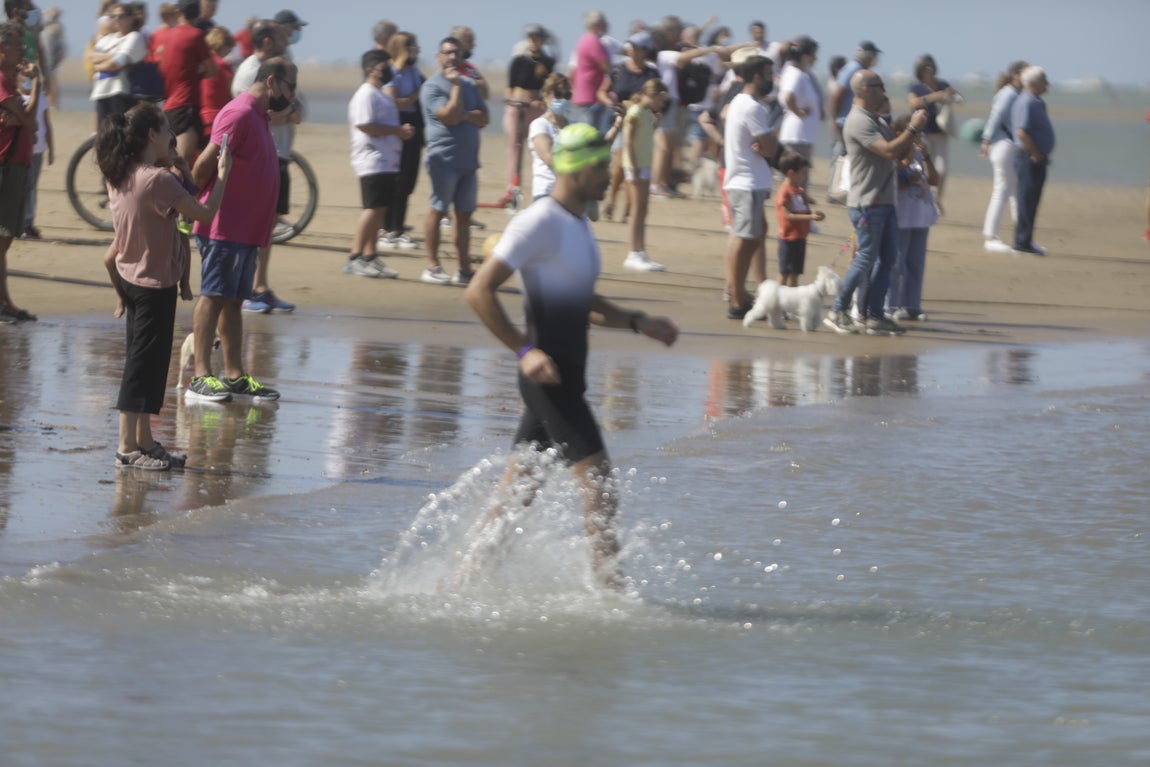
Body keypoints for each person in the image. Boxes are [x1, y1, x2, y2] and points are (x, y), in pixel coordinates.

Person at [463, 122, 679, 587]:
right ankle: (610, 591)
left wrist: (638, 322)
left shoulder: (578, 224)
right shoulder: (538, 221)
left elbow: (584, 304)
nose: (607, 175)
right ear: (574, 169)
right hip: (549, 379)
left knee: (518, 491)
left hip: (564, 376)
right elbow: (478, 290)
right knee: (600, 486)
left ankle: (466, 580)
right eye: (600, 167)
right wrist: (524, 351)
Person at [97, 102, 231, 470]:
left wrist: (181, 168)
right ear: (151, 135)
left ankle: (144, 441)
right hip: (153, 283)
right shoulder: (156, 180)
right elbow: (204, 214)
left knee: (151, 365)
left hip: (131, 279)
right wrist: (222, 175)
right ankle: (127, 448)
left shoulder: (121, 172)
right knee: (142, 367)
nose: (172, 136)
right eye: (167, 129)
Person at [186, 56, 291, 402]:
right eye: (290, 87)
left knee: (232, 301)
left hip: (245, 231)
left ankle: (234, 375)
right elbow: (205, 165)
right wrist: (194, 206)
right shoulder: (240, 112)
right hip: (224, 227)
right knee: (213, 296)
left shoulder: (259, 116)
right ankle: (200, 376)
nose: (293, 95)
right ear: (272, 81)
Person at [823, 70, 927, 336]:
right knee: (865, 258)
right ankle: (837, 310)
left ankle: (875, 315)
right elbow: (888, 150)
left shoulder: (875, 119)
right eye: (880, 86)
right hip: (868, 202)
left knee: (888, 258)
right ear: (866, 89)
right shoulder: (858, 121)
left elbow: (896, 154)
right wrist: (913, 128)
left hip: (885, 201)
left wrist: (913, 135)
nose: (884, 91)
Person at [231, 17, 297, 313]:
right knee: (250, 225)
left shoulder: (279, 69)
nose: (288, 40)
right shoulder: (249, 72)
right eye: (283, 36)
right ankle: (245, 289)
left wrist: (287, 111)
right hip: (256, 157)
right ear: (268, 41)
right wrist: (286, 112)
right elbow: (260, 115)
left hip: (278, 153)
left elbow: (294, 111)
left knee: (267, 225)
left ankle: (260, 286)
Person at [419, 35, 488, 286]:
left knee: (464, 216)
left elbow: (484, 118)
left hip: (468, 161)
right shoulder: (432, 87)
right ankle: (432, 266)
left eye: (456, 53)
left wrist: (465, 114)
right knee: (438, 210)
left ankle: (464, 269)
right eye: (447, 53)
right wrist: (456, 87)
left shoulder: (470, 84)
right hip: (443, 160)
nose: (451, 57)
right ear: (438, 56)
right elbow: (448, 116)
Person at [343, 48, 413, 278]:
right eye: (384, 66)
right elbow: (365, 125)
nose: (388, 70)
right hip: (372, 160)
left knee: (380, 209)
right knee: (372, 209)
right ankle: (354, 257)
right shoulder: (365, 94)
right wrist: (397, 131)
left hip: (387, 160)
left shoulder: (381, 93)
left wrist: (400, 132)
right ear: (370, 69)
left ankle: (370, 256)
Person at [722, 54, 775, 320]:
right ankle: (737, 297)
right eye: (769, 74)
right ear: (757, 76)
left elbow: (764, 145)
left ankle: (738, 292)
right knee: (745, 239)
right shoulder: (752, 107)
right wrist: (766, 146)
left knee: (753, 235)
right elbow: (770, 147)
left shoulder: (739, 102)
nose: (772, 80)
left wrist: (764, 146)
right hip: (746, 182)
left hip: (747, 181)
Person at [597, 30, 658, 221]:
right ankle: (612, 200)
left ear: (645, 51)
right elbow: (602, 91)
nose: (631, 50)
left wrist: (656, 119)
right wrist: (610, 103)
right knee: (620, 165)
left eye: (636, 47)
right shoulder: (618, 70)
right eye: (631, 46)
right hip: (620, 120)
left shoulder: (651, 74)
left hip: (642, 123)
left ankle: (630, 208)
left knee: (633, 165)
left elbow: (658, 99)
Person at [0, 21, 37, 322]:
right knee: (2, 239)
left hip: (15, 165)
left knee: (6, 238)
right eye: (16, 46)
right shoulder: (1, 80)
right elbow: (30, 120)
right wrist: (37, 84)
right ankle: (5, 304)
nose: (22, 51)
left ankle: (5, 302)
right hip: (7, 167)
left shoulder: (10, 81)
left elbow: (26, 120)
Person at [888, 113, 939, 321]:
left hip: (921, 214)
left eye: (921, 133)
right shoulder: (893, 152)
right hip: (901, 215)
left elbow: (934, 180)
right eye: (916, 132)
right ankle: (892, 304)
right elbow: (896, 181)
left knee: (916, 263)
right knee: (896, 262)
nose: (920, 137)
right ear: (901, 133)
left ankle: (912, 304)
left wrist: (926, 156)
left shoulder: (920, 153)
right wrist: (909, 174)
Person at [378, 31, 423, 251]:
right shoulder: (392, 72)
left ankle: (398, 227)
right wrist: (417, 94)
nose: (415, 51)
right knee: (396, 180)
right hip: (397, 126)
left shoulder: (414, 71)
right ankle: (387, 228)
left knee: (408, 181)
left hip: (414, 126)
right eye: (410, 48)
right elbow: (394, 102)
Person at [156, 0, 215, 164]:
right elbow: (212, 70)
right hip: (187, 105)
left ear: (178, 12)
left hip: (169, 106)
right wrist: (198, 70)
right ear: (197, 14)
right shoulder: (195, 35)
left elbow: (163, 67)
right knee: (180, 163)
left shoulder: (167, 36)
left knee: (171, 160)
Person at [501, 23, 553, 205]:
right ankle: (512, 189)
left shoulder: (547, 62)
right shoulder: (518, 61)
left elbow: (549, 87)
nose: (533, 41)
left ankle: (541, 191)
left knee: (538, 147)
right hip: (517, 107)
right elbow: (509, 87)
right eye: (530, 38)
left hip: (535, 108)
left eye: (536, 38)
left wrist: (540, 102)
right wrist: (511, 101)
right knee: (514, 148)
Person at [621, 77, 668, 271]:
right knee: (636, 209)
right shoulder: (635, 112)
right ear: (652, 95)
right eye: (661, 100)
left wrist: (656, 123)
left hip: (644, 165)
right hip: (635, 166)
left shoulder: (647, 114)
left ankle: (641, 251)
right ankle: (633, 253)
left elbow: (645, 135)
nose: (662, 104)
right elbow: (628, 141)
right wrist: (632, 167)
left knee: (643, 209)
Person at [980, 60, 1027, 253]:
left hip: (1008, 147)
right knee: (1002, 190)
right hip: (1002, 146)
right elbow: (996, 116)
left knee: (1015, 192)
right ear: (1016, 75)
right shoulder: (1008, 93)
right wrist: (986, 139)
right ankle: (991, 237)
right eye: (1025, 73)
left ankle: (1022, 237)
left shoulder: (1016, 93)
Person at [907, 54, 959, 213]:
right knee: (922, 168)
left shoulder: (942, 84)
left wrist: (951, 95)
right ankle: (923, 200)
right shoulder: (915, 87)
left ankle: (936, 200)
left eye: (930, 66)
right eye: (925, 67)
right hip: (923, 133)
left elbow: (958, 98)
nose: (929, 69)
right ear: (920, 69)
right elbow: (913, 103)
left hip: (941, 132)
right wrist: (936, 96)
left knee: (942, 170)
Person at [1010, 65, 1054, 256]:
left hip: (1037, 157)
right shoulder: (1026, 102)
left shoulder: (1037, 102)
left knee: (1032, 201)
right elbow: (1021, 132)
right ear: (1034, 83)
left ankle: (1026, 240)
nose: (1047, 84)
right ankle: (1021, 242)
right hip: (1028, 157)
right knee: (1026, 200)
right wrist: (1035, 153)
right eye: (1044, 80)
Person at [87, 2, 146, 125]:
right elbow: (93, 57)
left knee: (120, 129)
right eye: (113, 16)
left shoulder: (134, 37)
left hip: (120, 91)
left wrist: (101, 64)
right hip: (101, 91)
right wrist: (113, 57)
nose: (116, 20)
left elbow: (119, 62)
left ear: (130, 19)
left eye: (121, 16)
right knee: (104, 130)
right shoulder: (107, 39)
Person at [774, 150, 824, 288]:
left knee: (795, 272)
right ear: (791, 173)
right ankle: (777, 297)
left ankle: (792, 298)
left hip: (800, 237)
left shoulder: (800, 191)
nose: (804, 175)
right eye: (802, 172)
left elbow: (804, 210)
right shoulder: (784, 192)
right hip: (788, 238)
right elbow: (788, 215)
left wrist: (815, 214)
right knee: (784, 272)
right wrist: (810, 217)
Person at [830, 41, 880, 161]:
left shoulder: (858, 69)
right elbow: (837, 96)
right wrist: (834, 120)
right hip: (845, 122)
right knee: (841, 156)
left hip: (851, 121)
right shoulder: (854, 69)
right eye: (873, 55)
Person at [777, 36, 822, 164]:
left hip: (802, 136)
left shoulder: (801, 73)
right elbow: (788, 96)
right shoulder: (795, 73)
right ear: (805, 56)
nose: (815, 58)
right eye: (813, 54)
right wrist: (798, 112)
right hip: (797, 135)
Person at [527, 72, 570, 201]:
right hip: (546, 191)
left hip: (570, 194)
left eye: (567, 95)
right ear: (546, 96)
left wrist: (617, 124)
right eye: (558, 94)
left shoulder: (574, 125)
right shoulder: (540, 125)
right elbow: (550, 159)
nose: (563, 99)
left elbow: (597, 148)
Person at [19, 66, 50, 239]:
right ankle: (23, 224)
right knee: (24, 187)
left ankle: (28, 222)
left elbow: (47, 125)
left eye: (31, 78)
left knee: (31, 188)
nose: (28, 81)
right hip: (22, 151)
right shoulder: (15, 99)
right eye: (25, 77)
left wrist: (51, 149)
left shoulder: (42, 98)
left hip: (38, 151)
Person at [570, 10, 609, 131]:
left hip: (583, 96)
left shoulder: (584, 39)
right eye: (603, 21)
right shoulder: (593, 40)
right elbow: (606, 66)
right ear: (596, 24)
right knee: (591, 134)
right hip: (590, 98)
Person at [198, 24, 232, 144]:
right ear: (223, 44)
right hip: (219, 117)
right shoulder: (222, 65)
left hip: (201, 117)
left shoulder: (201, 63)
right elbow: (231, 92)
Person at [38, 5, 63, 108]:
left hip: (52, 59)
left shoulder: (56, 27)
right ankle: (47, 103)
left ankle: (53, 104)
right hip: (44, 58)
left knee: (52, 82)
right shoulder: (46, 26)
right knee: (45, 82)